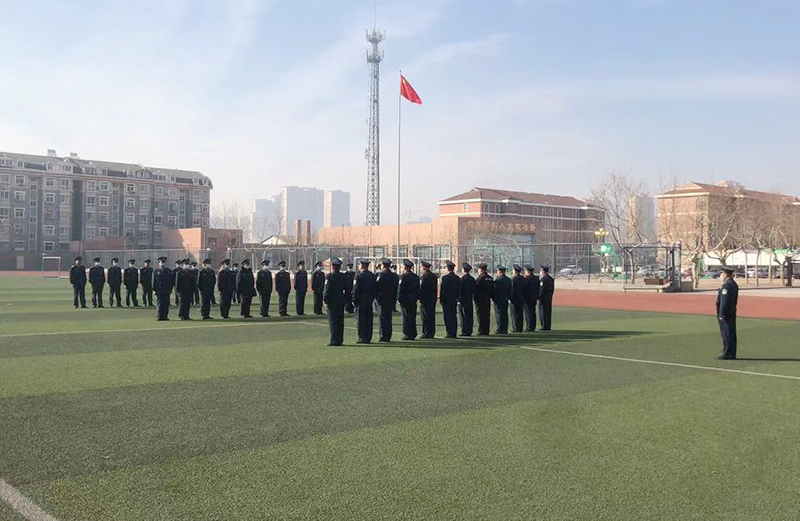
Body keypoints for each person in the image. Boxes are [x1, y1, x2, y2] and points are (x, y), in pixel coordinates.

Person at [323, 257, 349, 346]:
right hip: (341, 299)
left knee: (333, 320)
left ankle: (334, 340)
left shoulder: (329, 276)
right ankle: (340, 340)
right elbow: (347, 289)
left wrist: (325, 301)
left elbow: (327, 289)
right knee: (340, 320)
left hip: (332, 300)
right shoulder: (343, 276)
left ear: (333, 266)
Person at [716, 266, 739, 360]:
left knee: (727, 333)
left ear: (726, 274)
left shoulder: (727, 285)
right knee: (730, 333)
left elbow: (724, 301)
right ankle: (731, 352)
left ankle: (728, 353)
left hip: (726, 313)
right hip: (731, 311)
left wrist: (722, 314)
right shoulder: (733, 284)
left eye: (722, 273)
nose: (721, 275)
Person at [353, 259, 376, 343]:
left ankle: (362, 337)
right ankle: (368, 337)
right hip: (369, 299)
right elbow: (374, 289)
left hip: (360, 300)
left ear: (362, 266)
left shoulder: (358, 276)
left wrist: (354, 300)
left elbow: (356, 289)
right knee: (368, 319)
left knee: (361, 319)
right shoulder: (372, 276)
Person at [375, 257, 398, 342]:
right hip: (390, 299)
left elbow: (377, 286)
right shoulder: (394, 276)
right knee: (388, 318)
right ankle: (388, 335)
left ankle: (383, 336)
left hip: (382, 299)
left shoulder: (381, 275)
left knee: (382, 318)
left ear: (383, 265)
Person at [398, 259, 420, 340]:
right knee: (412, 316)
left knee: (406, 317)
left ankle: (407, 333)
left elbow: (400, 289)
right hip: (413, 299)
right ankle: (413, 333)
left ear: (405, 267)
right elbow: (418, 289)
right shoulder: (416, 277)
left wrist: (399, 299)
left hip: (405, 299)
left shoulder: (403, 277)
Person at [440, 261, 460, 339]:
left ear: (447, 268)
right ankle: (454, 332)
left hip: (446, 300)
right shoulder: (457, 278)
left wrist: (441, 299)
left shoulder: (445, 278)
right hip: (454, 299)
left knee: (447, 316)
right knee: (453, 316)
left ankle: (449, 332)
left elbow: (443, 290)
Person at [419, 261, 438, 339]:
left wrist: (420, 298)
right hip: (432, 298)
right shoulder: (434, 276)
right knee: (431, 316)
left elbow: (421, 289)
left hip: (425, 299)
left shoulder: (424, 277)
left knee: (425, 317)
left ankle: (426, 332)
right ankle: (431, 332)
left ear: (424, 267)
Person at [474, 263, 493, 335]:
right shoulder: (490, 278)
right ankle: (486, 330)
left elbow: (476, 289)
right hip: (487, 299)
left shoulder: (480, 278)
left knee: (481, 315)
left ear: (481, 270)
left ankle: (481, 330)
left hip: (480, 299)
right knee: (487, 315)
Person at [492, 266, 512, 334]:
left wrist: (493, 298)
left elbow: (494, 290)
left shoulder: (497, 280)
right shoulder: (508, 280)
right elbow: (510, 290)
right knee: (505, 314)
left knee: (499, 314)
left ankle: (499, 329)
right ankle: (505, 329)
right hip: (505, 299)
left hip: (498, 300)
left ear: (499, 272)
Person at [154, 257, 173, 321]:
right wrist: (154, 290)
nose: (163, 263)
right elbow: (154, 281)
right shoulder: (156, 271)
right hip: (159, 289)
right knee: (160, 303)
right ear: (159, 263)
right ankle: (159, 316)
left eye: (164, 262)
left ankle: (165, 316)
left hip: (167, 289)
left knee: (166, 303)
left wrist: (170, 288)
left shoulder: (168, 271)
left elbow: (171, 280)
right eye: (162, 262)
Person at [458, 262, 475, 336]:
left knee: (463, 316)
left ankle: (464, 330)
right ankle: (469, 330)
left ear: (463, 269)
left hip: (463, 299)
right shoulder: (472, 279)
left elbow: (460, 290)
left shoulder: (462, 279)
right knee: (469, 315)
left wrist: (458, 299)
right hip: (469, 299)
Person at [509, 264, 527, 333]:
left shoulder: (513, 279)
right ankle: (520, 328)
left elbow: (511, 289)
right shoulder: (523, 279)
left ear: (515, 271)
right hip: (521, 298)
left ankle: (515, 328)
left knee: (514, 314)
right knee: (520, 313)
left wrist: (510, 297)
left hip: (514, 299)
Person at [539, 264, 555, 331]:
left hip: (543, 299)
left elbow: (541, 290)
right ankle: (548, 325)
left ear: (543, 271)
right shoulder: (551, 279)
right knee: (548, 312)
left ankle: (544, 326)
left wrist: (539, 297)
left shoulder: (543, 279)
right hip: (549, 298)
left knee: (543, 312)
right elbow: (552, 289)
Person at [523, 265, 540, 332]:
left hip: (527, 298)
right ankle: (533, 326)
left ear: (528, 272)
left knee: (528, 313)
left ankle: (529, 326)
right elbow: (538, 288)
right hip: (534, 298)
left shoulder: (526, 279)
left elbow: (525, 289)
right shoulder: (536, 278)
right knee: (533, 312)